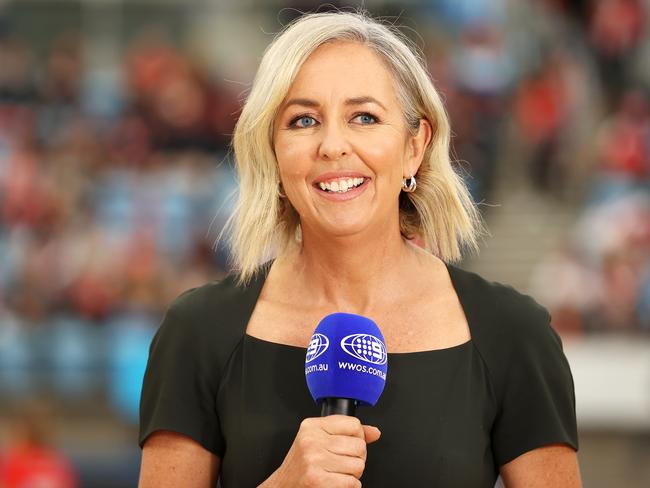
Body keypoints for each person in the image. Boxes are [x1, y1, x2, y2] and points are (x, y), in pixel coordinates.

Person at [138, 11, 581, 488]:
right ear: (273, 152)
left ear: (415, 146)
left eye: (364, 117)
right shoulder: (198, 332)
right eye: (303, 120)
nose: (332, 145)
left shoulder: (512, 333)